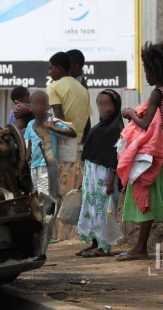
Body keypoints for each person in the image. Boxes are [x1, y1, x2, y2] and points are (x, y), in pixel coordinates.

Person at [116, 41, 163, 262]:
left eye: (146, 70)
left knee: (145, 194)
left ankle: (148, 246)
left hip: (152, 156)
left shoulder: (157, 94)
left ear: (155, 70)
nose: (145, 75)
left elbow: (147, 124)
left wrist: (130, 113)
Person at [47, 52, 93, 240]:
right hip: (81, 147)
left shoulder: (54, 87)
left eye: (51, 68)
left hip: (63, 145)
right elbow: (88, 122)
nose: (49, 72)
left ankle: (62, 237)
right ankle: (78, 235)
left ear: (59, 68)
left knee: (60, 192)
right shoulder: (82, 89)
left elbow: (60, 119)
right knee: (75, 194)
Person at [76, 89, 124, 257]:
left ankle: (104, 246)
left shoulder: (116, 129)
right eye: (100, 104)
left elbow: (115, 158)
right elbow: (90, 155)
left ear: (116, 106)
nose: (103, 108)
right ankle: (94, 243)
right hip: (92, 176)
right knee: (91, 209)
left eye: (107, 104)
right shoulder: (100, 126)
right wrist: (84, 179)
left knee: (103, 211)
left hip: (105, 178)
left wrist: (111, 181)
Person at [21, 91, 76, 195]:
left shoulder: (52, 121)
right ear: (30, 107)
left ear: (48, 106)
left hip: (47, 166)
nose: (39, 107)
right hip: (34, 167)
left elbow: (72, 132)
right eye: (36, 104)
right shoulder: (30, 125)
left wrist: (54, 128)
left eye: (42, 103)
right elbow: (29, 147)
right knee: (36, 194)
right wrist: (24, 162)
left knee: (46, 195)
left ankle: (48, 211)